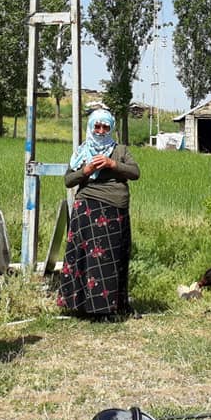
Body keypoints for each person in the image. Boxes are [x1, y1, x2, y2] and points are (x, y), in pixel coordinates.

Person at [58, 108, 140, 320]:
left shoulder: (119, 150)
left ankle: (109, 307)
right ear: (91, 127)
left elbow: (135, 172)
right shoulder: (81, 152)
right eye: (97, 126)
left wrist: (113, 164)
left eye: (105, 127)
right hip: (86, 209)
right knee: (86, 258)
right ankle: (82, 306)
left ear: (111, 128)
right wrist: (85, 171)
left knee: (110, 259)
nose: (101, 130)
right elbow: (68, 180)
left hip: (114, 209)